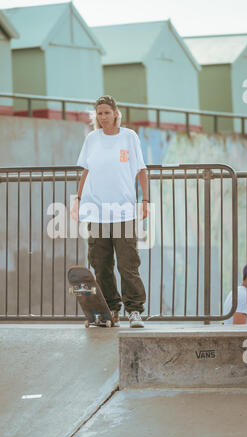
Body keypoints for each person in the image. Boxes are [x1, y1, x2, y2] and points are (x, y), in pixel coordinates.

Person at [70, 95, 149, 328]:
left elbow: (141, 170)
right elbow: (86, 171)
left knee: (128, 264)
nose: (103, 117)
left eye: (106, 112)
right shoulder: (92, 139)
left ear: (116, 113)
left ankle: (134, 310)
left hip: (124, 212)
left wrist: (145, 200)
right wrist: (78, 200)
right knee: (100, 264)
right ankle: (109, 310)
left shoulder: (129, 137)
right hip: (96, 212)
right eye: (99, 113)